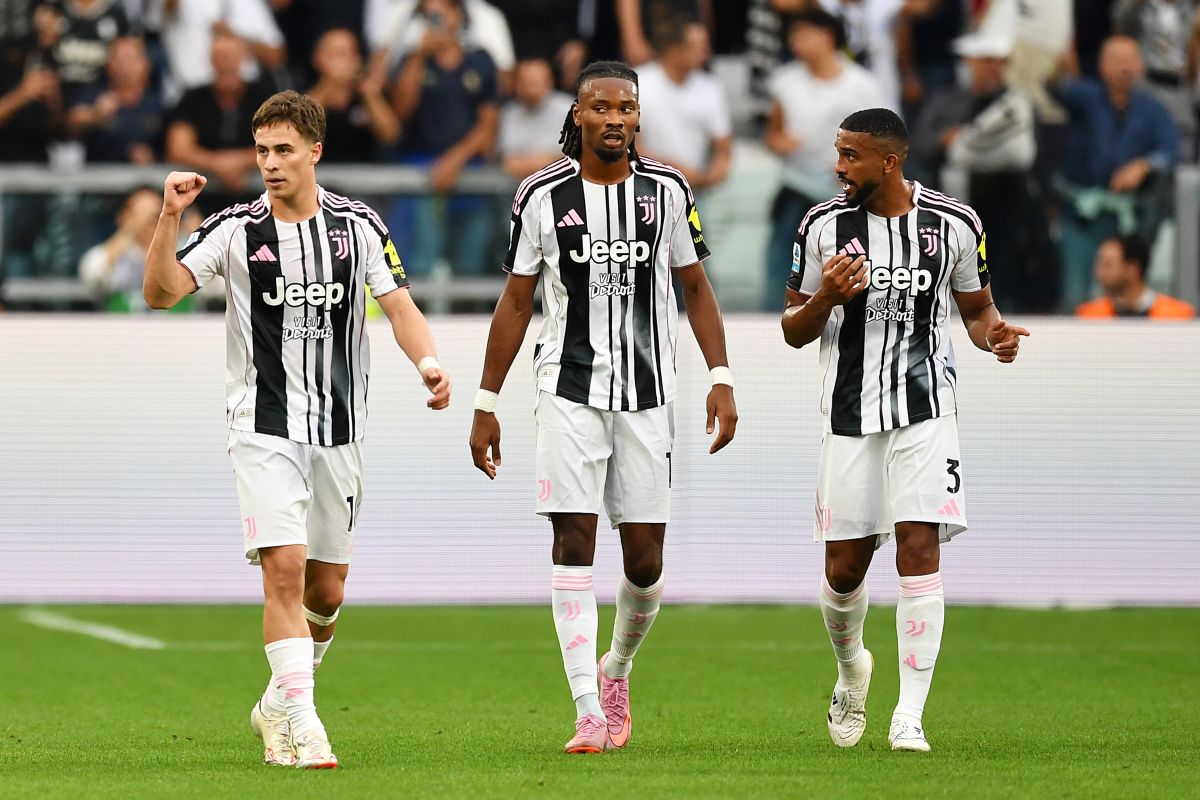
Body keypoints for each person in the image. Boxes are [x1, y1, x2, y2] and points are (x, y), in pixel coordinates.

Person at [143, 90, 452, 769]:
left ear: (315, 151)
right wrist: (169, 217)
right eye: (262, 151)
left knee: (326, 591)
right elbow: (161, 292)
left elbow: (399, 306)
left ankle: (275, 705)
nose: (271, 164)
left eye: (284, 150)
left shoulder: (359, 226)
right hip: (263, 425)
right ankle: (305, 724)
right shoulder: (234, 229)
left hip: (339, 430)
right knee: (283, 571)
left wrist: (428, 362)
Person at [468, 60, 737, 754]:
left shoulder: (669, 190)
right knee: (572, 542)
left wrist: (722, 376)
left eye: (626, 107)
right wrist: (485, 399)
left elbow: (696, 287)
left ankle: (615, 668)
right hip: (568, 389)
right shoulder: (541, 195)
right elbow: (518, 300)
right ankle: (588, 709)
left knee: (644, 561)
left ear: (637, 117)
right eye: (601, 106)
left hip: (649, 395)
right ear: (578, 116)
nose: (615, 118)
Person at [780, 108, 1029, 753]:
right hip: (849, 417)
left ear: (888, 161)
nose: (839, 166)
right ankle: (851, 669)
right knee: (843, 569)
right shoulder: (822, 227)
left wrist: (993, 337)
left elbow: (977, 310)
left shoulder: (954, 224)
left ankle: (909, 716)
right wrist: (828, 297)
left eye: (851, 155)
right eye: (838, 152)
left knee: (919, 549)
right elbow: (793, 329)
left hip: (927, 412)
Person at [763, 8, 882, 310]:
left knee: (849, 261)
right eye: (792, 36)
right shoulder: (784, 81)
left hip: (845, 190)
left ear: (827, 37)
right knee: (784, 260)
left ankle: (854, 318)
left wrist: (853, 165)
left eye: (803, 35)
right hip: (797, 183)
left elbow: (880, 139)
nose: (795, 43)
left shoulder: (863, 85)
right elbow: (772, 133)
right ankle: (777, 318)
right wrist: (781, 142)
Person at [1075, 233, 1196, 318]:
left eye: (1108, 265)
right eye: (1099, 263)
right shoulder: (1090, 316)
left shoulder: (1177, 317)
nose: (1098, 272)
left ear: (1132, 269)